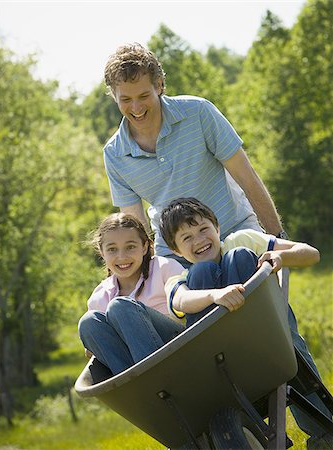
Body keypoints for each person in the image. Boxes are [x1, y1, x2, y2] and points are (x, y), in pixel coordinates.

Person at [159, 197, 332, 449]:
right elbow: (182, 300)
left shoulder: (242, 240)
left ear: (217, 227)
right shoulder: (180, 277)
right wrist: (214, 295)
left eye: (203, 229)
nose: (198, 240)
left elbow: (311, 254)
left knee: (239, 256)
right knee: (202, 272)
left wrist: (280, 257)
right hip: (225, 360)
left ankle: (324, 437)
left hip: (270, 336)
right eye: (186, 238)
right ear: (175, 250)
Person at [103, 42, 287, 262]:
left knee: (254, 283)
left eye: (143, 96)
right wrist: (150, 278)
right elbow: (137, 227)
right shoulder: (115, 154)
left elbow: (248, 179)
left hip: (236, 232)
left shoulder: (198, 113)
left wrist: (278, 239)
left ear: (159, 85)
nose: (136, 107)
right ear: (114, 96)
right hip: (176, 254)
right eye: (125, 99)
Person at [78, 213, 185, 376]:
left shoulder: (163, 268)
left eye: (130, 247)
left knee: (119, 306)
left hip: (178, 347)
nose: (122, 257)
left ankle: (156, 376)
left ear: (144, 247)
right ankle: (137, 383)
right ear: (101, 251)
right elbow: (97, 346)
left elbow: (187, 305)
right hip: (132, 364)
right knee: (87, 321)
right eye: (112, 249)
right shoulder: (100, 296)